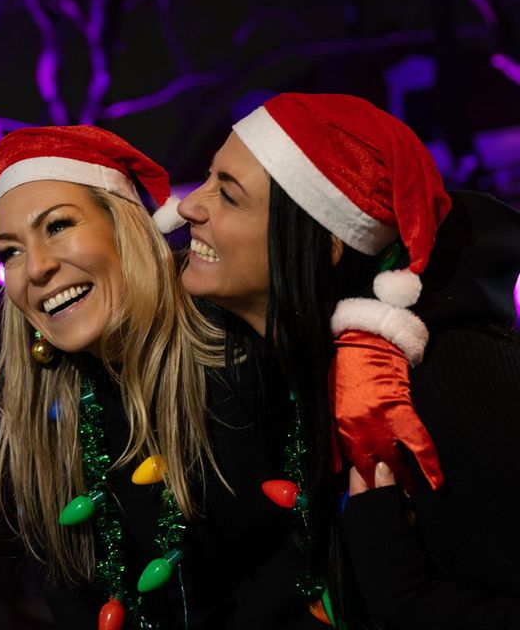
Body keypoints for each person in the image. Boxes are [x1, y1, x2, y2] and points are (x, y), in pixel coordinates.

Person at [176, 92, 520, 628]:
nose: (189, 206)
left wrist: (402, 598)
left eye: (229, 195)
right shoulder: (296, 374)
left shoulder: (450, 384)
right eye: (208, 178)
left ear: (327, 243)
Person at [0, 125, 328, 628]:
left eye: (58, 225)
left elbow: (322, 539)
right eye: (10, 251)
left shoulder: (238, 345)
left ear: (124, 226)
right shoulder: (45, 417)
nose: (35, 268)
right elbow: (72, 595)